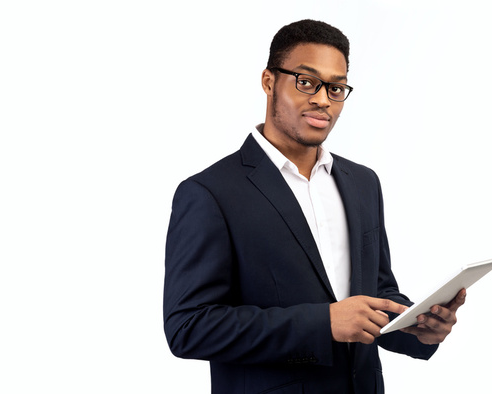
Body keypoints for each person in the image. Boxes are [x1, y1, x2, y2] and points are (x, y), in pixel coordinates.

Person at [163, 19, 466, 394]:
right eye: (306, 82)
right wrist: (323, 323)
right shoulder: (209, 193)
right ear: (269, 82)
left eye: (336, 88)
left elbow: (377, 291)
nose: (323, 99)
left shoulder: (363, 183)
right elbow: (188, 328)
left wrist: (417, 327)